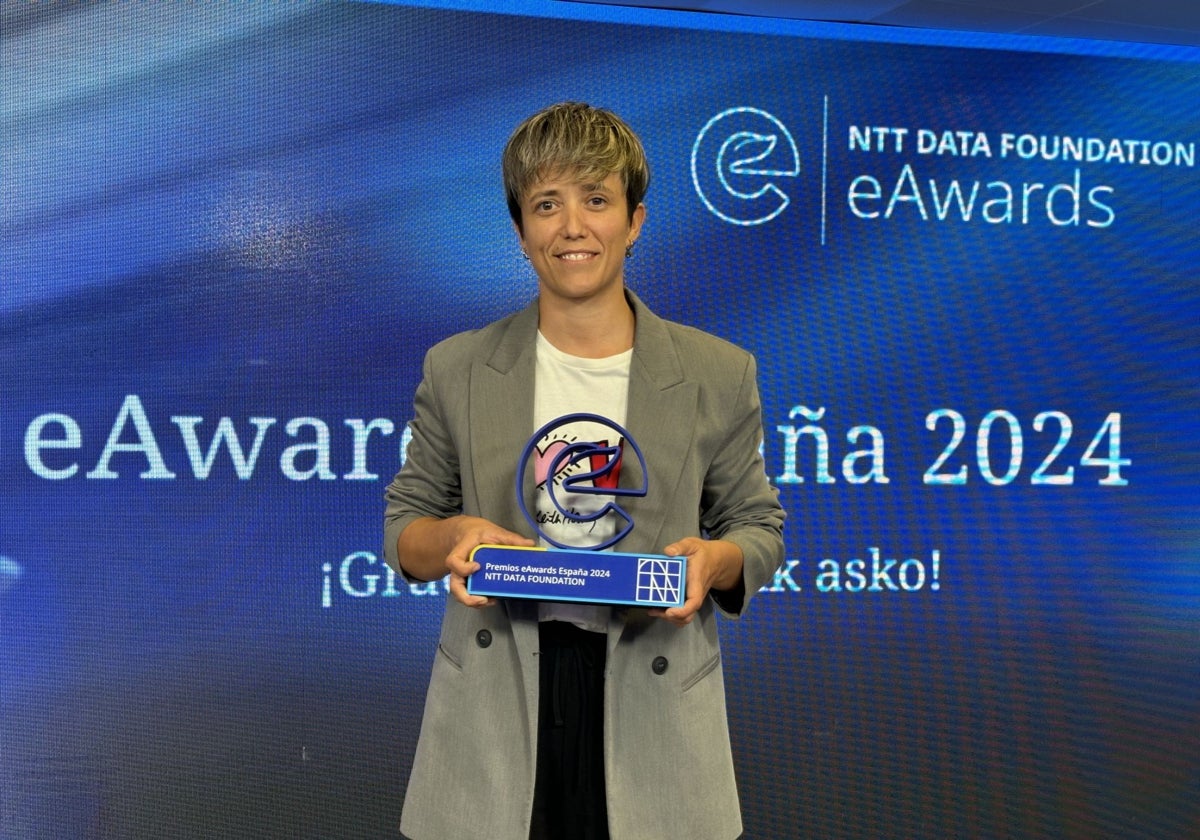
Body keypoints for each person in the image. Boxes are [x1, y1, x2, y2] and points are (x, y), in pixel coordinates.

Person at [383, 101, 785, 840]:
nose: (573, 227)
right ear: (521, 230)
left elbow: (758, 526)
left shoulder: (717, 372)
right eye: (547, 205)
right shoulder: (459, 367)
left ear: (634, 221)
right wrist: (451, 541)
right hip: (499, 698)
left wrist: (718, 559)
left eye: (596, 200)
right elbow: (405, 527)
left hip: (654, 698)